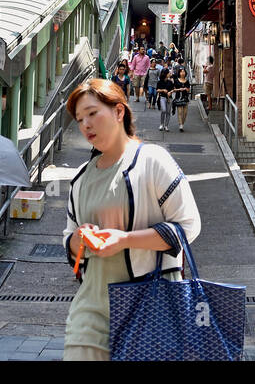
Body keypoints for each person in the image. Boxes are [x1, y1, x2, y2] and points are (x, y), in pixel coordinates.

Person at [63, 78, 200, 360]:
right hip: (90, 311)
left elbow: (188, 227)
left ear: (118, 111)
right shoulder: (80, 179)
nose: (85, 124)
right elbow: (70, 241)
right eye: (79, 119)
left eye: (92, 113)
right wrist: (80, 240)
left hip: (153, 306)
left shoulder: (152, 160)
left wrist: (124, 240)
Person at [171, 65, 192, 133]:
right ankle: (180, 125)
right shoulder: (176, 81)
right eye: (181, 72)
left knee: (185, 113)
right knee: (180, 112)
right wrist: (179, 89)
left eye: (183, 72)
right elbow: (173, 89)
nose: (182, 73)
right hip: (178, 97)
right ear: (179, 73)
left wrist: (186, 89)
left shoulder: (187, 81)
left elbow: (189, 90)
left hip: (185, 98)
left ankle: (182, 123)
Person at [155, 63, 175, 133]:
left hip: (169, 98)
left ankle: (166, 125)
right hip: (162, 97)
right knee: (163, 110)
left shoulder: (170, 81)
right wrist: (163, 90)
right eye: (169, 73)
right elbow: (157, 90)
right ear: (165, 74)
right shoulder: (160, 82)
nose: (170, 73)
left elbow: (173, 89)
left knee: (168, 112)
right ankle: (161, 124)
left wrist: (171, 92)